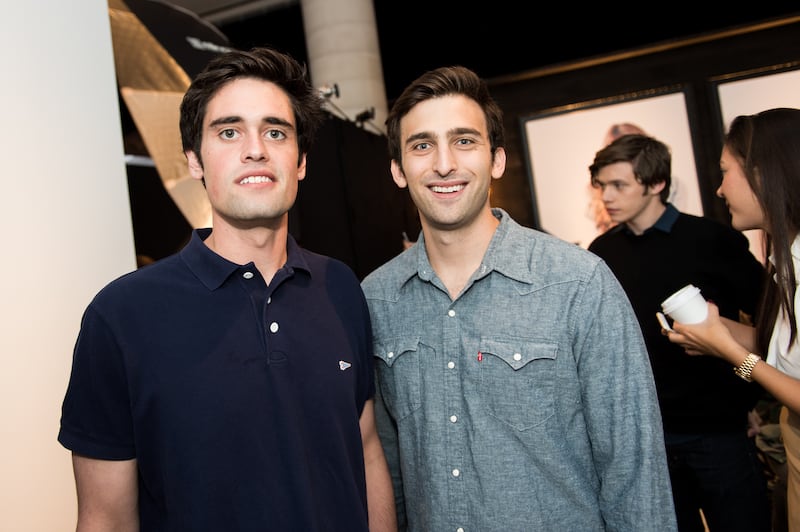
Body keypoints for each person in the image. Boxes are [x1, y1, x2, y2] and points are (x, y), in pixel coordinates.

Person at [58, 47, 396, 532]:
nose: (255, 149)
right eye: (229, 131)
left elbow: (364, 450)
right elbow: (105, 518)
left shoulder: (341, 287)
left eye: (276, 132)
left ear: (300, 161)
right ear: (194, 160)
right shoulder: (121, 315)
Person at [360, 65, 678, 531]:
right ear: (398, 170)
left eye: (465, 141)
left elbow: (634, 468)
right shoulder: (375, 298)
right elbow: (387, 469)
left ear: (497, 160)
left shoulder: (578, 283)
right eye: (422, 145)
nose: (444, 163)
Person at [587, 133, 770, 531]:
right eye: (602, 186)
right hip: (647, 437)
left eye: (620, 185)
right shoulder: (601, 253)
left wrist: (750, 397)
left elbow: (772, 327)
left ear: (656, 184)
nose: (608, 196)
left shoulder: (713, 239)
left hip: (718, 430)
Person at [664, 108, 800, 531]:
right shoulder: (785, 258)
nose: (720, 189)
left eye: (726, 172)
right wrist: (714, 329)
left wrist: (728, 352)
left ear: (761, 172)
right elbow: (783, 345)